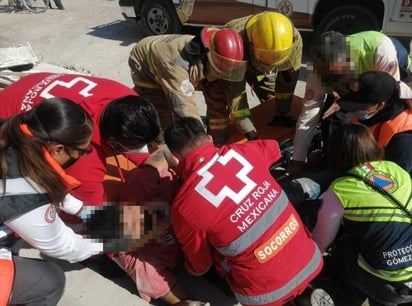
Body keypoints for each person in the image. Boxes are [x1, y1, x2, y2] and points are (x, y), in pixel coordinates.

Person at [163, 116, 324, 306]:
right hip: (310, 259)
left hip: (264, 293)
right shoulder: (244, 152)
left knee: (211, 265)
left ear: (174, 158)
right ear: (209, 139)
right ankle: (305, 292)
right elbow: (272, 148)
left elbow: (200, 265)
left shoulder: (184, 207)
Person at [0, 72, 161, 205]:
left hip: (31, 82)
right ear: (114, 144)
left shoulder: (124, 95)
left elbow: (141, 153)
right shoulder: (81, 157)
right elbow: (91, 216)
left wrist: (147, 167)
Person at [0, 98, 103, 306]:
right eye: (81, 152)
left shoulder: (13, 133)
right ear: (57, 149)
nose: (82, 156)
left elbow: (45, 180)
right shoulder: (23, 190)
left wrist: (82, 210)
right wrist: (110, 241)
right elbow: (63, 246)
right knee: (49, 281)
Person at [311, 123, 412, 306]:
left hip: (389, 283)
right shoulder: (396, 169)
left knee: (343, 246)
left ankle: (343, 296)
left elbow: (321, 240)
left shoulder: (340, 189)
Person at [289, 30, 411, 177]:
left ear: (349, 60)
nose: (337, 84)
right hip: (364, 85)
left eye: (338, 76)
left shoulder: (381, 50)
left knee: (377, 123)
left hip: (394, 62)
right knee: (332, 119)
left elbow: (390, 93)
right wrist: (297, 159)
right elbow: (308, 116)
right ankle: (334, 165)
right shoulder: (319, 73)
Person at [128, 27, 254, 144]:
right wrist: (202, 141)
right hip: (146, 67)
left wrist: (218, 137)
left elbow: (218, 101)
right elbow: (184, 108)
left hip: (171, 59)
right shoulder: (176, 65)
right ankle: (157, 146)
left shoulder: (216, 50)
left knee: (216, 88)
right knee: (162, 117)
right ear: (209, 57)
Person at [208, 11, 303, 130]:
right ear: (252, 44)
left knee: (271, 100)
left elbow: (287, 81)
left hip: (259, 64)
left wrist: (281, 112)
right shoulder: (233, 45)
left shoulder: (293, 40)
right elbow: (236, 97)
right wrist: (248, 131)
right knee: (220, 106)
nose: (270, 69)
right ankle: (216, 137)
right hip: (236, 60)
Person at [337, 71, 412, 174]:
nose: (356, 110)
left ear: (380, 105)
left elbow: (395, 181)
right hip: (360, 169)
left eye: (361, 105)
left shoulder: (404, 137)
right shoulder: (375, 114)